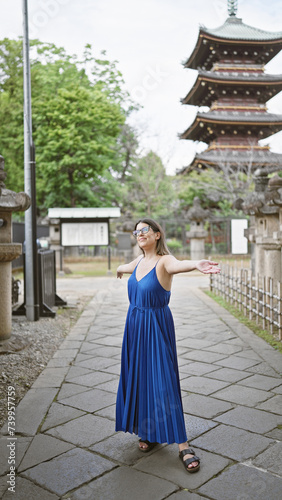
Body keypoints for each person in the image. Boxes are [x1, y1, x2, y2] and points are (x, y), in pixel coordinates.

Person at [115, 218, 220, 473]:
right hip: (134, 327)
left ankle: (183, 445)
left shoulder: (164, 261)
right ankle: (148, 431)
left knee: (163, 381)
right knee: (139, 378)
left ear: (158, 234)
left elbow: (178, 264)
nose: (139, 234)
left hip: (156, 326)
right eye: (136, 231)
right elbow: (128, 266)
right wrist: (120, 267)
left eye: (145, 230)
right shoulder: (139, 261)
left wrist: (196, 264)